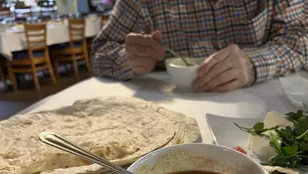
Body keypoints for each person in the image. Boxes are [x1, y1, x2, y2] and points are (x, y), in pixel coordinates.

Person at [91, 0, 308, 92]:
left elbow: (300, 38)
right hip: (174, 110)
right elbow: (99, 53)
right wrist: (127, 58)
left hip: (263, 108)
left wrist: (253, 63)